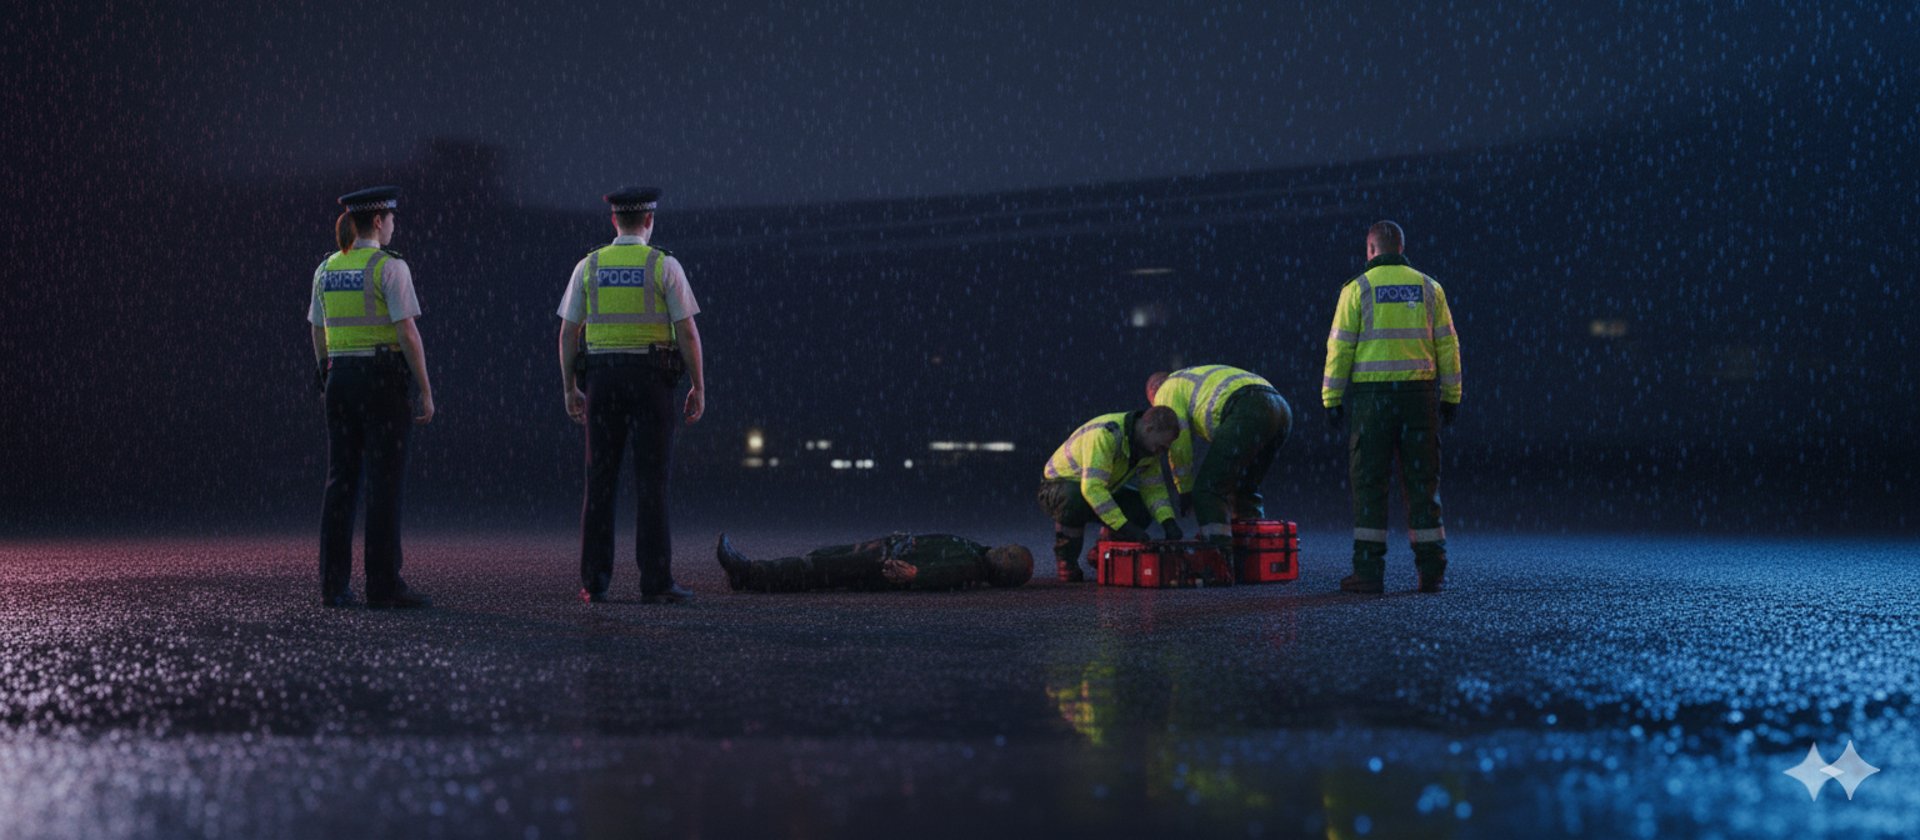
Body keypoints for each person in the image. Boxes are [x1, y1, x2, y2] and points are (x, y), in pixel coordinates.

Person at [557, 186, 707, 605]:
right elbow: (687, 331)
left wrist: (570, 386)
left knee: (599, 481)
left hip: (602, 381)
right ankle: (656, 581)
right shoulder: (663, 264)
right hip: (651, 380)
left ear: (613, 221)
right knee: (652, 483)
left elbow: (569, 332)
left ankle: (594, 581)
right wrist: (698, 384)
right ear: (649, 221)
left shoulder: (589, 265)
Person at [308, 186, 435, 609]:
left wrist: (327, 371)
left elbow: (316, 329)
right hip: (382, 381)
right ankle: (383, 586)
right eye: (392, 219)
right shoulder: (389, 268)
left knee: (340, 481)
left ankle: (333, 585)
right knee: (384, 484)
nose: (394, 225)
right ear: (378, 221)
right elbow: (407, 332)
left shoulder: (326, 268)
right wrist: (426, 390)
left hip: (339, 377)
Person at [1321, 220, 1462, 594]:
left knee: (1369, 486)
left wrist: (1331, 399)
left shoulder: (1357, 289)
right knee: (1423, 484)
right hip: (1420, 399)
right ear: (1400, 247)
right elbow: (1448, 346)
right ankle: (1432, 570)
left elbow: (1339, 349)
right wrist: (1451, 395)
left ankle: (1368, 574)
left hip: (1372, 403)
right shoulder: (1430, 288)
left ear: (1370, 249)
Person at [1144, 365, 1293, 545]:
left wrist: (1185, 489)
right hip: (1281, 410)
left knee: (1208, 489)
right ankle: (1255, 550)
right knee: (1244, 488)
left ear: (1154, 393)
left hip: (1247, 408)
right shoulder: (1192, 378)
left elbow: (1179, 442)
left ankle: (1219, 555)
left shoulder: (1166, 391)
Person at [1036, 407, 1182, 582]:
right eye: (1160, 446)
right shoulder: (1106, 435)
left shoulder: (1148, 448)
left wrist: (1168, 521)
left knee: (1140, 508)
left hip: (1095, 489)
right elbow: (1093, 488)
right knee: (1073, 499)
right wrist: (1124, 526)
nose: (1161, 452)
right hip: (1057, 487)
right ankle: (1067, 561)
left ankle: (1105, 552)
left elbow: (1154, 489)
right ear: (1149, 429)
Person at [714, 533, 1034, 592]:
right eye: (1009, 548)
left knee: (818, 570)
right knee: (819, 560)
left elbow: (944, 574)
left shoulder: (972, 565)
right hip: (885, 550)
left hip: (884, 562)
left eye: (1009, 556)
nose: (1003, 549)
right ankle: (753, 575)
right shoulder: (976, 552)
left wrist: (915, 575)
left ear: (1004, 572)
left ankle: (750, 574)